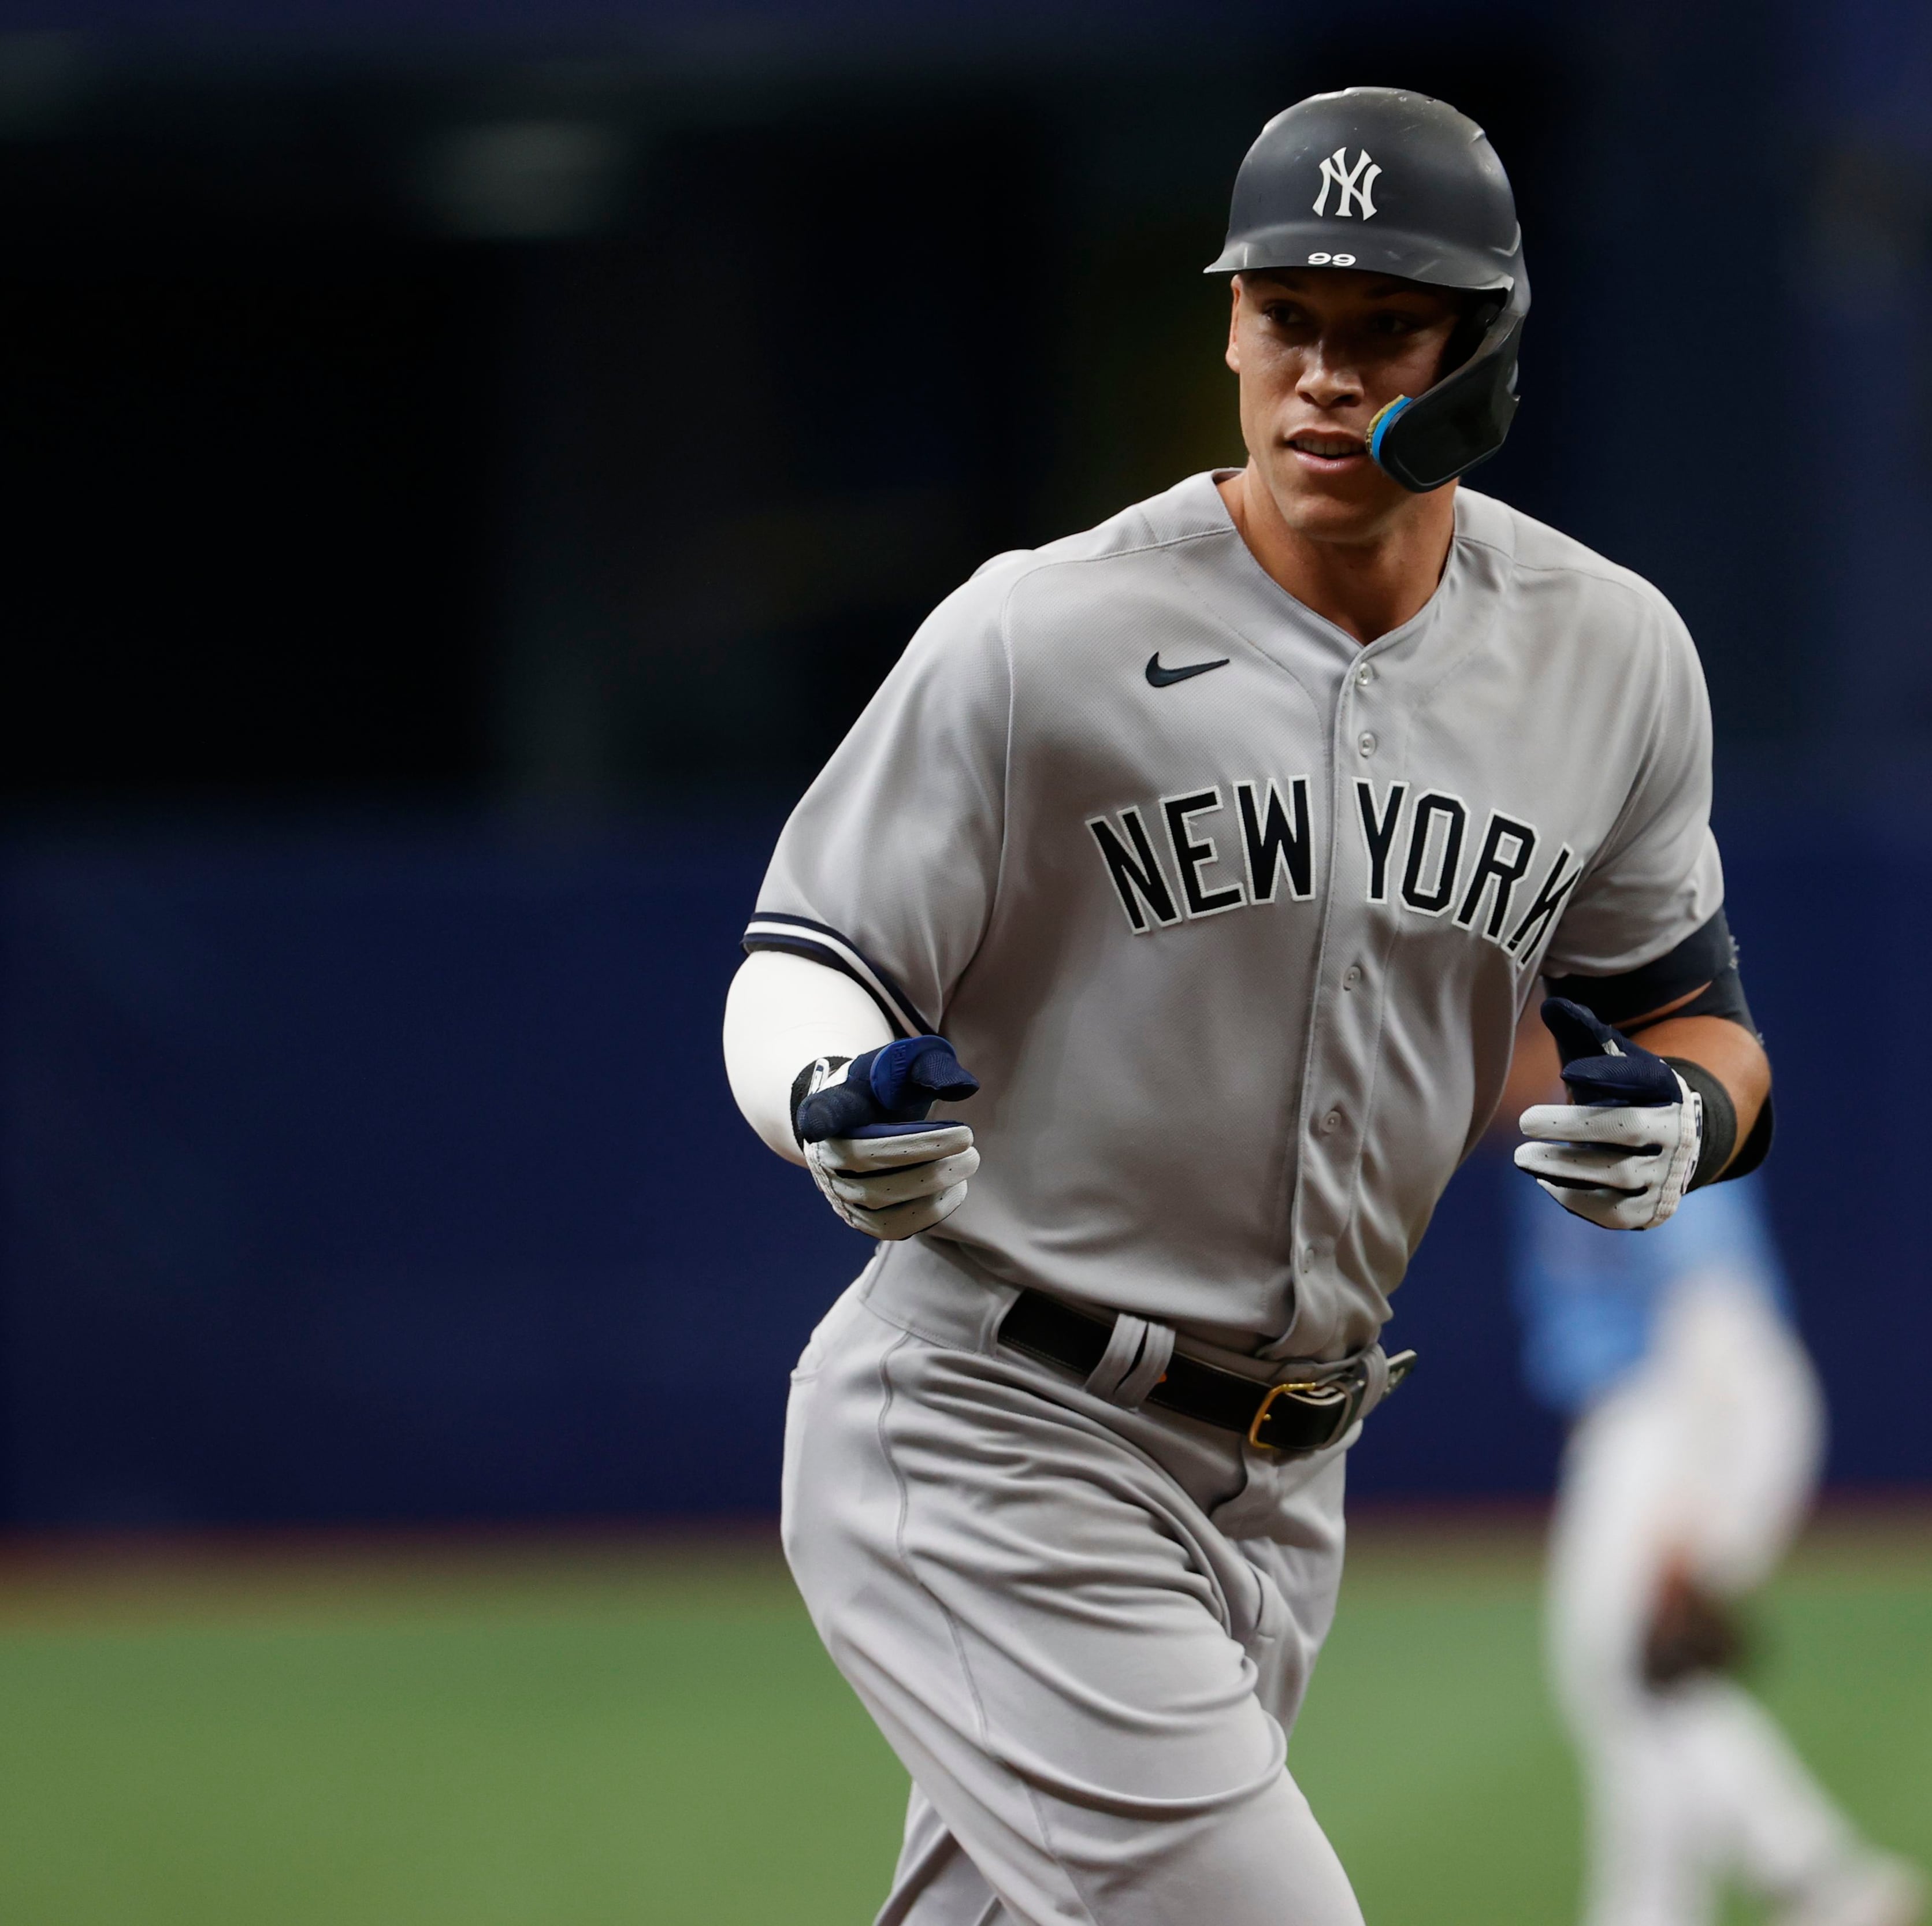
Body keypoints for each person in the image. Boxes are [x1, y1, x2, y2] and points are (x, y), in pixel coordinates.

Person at [720, 85, 1775, 1926]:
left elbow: (1697, 1016)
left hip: (1286, 1475)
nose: (1317, 373)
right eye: (1285, 316)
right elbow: (808, 951)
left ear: (1486, 356)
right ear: (1228, 324)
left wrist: (1688, 1120)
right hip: (993, 1419)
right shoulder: (1041, 631)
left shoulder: (1608, 656)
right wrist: (824, 1091)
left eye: (1384, 330)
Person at [1502, 1059, 1932, 1926]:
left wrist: (1691, 1507)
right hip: (1670, 1411)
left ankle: (1808, 1879)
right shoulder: (1576, 1123)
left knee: (1629, 1672)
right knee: (1648, 1682)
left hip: (1682, 1410)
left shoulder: (1629, 1111)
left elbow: (1718, 1313)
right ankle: (1797, 1881)